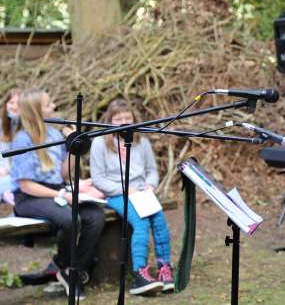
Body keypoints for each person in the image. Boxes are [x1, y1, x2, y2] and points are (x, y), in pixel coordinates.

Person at [10, 89, 105, 300]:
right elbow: (26, 185)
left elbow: (64, 173)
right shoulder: (22, 140)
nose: (54, 107)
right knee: (69, 219)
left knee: (95, 216)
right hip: (31, 197)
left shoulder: (54, 134)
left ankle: (70, 270)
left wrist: (73, 147)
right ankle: (67, 268)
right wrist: (62, 193)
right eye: (48, 104)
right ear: (35, 111)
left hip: (57, 190)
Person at [90, 98, 173, 296]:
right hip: (117, 193)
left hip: (142, 192)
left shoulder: (141, 141)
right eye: (119, 119)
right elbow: (98, 179)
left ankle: (164, 267)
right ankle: (140, 273)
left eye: (128, 118)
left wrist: (150, 185)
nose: (125, 122)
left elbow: (151, 170)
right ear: (110, 121)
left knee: (160, 222)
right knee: (142, 223)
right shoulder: (99, 143)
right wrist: (125, 189)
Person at [1, 89, 21, 205]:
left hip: (15, 173)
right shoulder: (2, 125)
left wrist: (7, 169)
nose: (14, 107)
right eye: (11, 103)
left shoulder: (25, 129)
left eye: (18, 104)